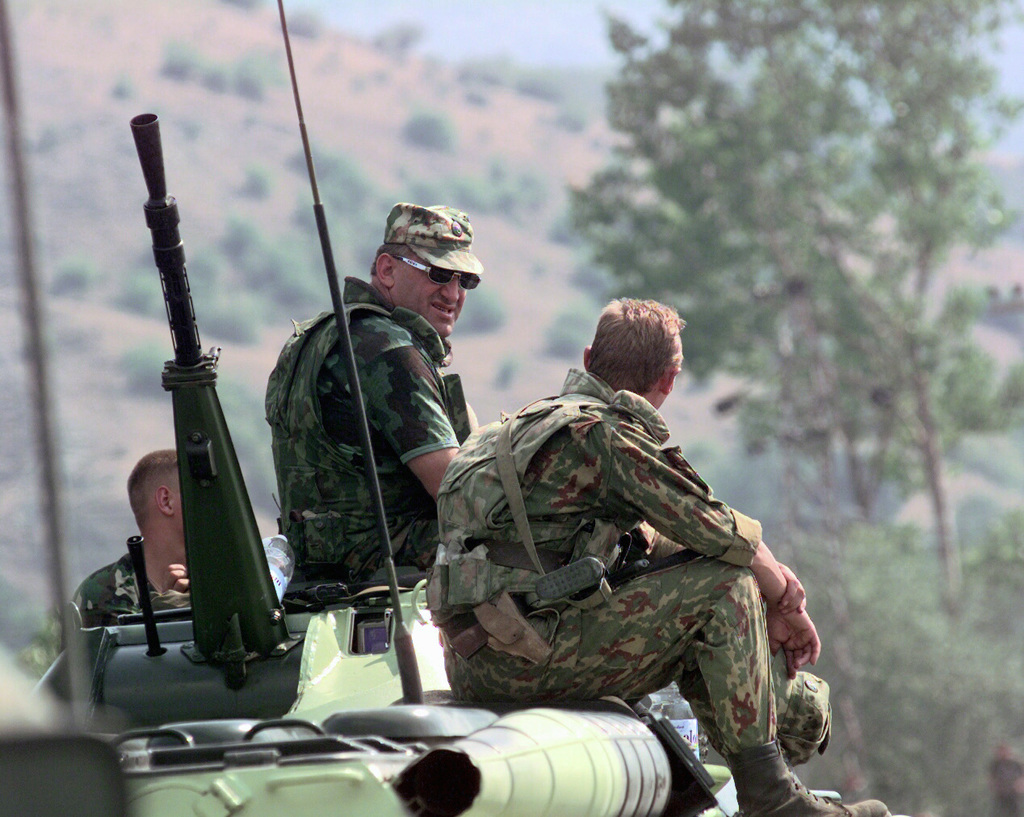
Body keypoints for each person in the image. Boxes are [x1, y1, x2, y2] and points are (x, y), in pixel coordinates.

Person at [426, 299, 889, 817]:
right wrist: (786, 599)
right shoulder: (604, 434)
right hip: (529, 657)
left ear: (587, 357)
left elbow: (661, 540)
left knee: (702, 594)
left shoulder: (506, 432)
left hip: (474, 662)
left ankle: (771, 757)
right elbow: (715, 527)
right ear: (669, 381)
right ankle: (773, 800)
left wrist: (770, 589)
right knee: (725, 584)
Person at [266, 202, 484, 584]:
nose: (453, 293)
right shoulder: (389, 349)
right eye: (439, 274)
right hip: (384, 564)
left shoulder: (321, 336)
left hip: (316, 564)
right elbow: (458, 493)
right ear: (387, 270)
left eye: (465, 280)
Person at [73, 449, 190, 627]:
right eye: (198, 493)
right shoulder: (105, 593)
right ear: (166, 501)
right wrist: (165, 614)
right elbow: (124, 653)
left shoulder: (224, 579)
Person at [990, 743, 1024, 817]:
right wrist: (994, 787)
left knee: (1015, 813)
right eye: (1001, 751)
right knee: (1001, 812)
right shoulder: (996, 764)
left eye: (1005, 751)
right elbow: (992, 778)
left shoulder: (1016, 763)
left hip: (1013, 793)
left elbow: (1022, 776)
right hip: (1001, 793)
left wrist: (1020, 786)